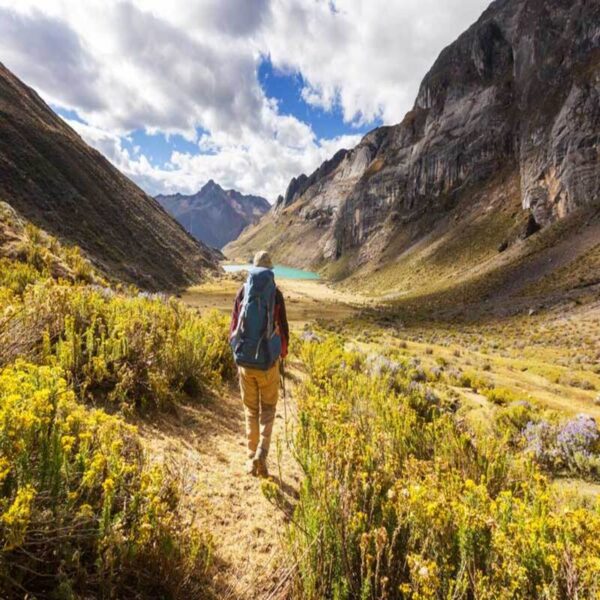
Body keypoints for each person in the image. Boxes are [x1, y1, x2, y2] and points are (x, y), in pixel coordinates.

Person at [229, 250, 289, 477]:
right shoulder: (276, 294)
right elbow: (283, 329)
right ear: (270, 270)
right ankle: (262, 455)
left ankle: (250, 456)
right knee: (268, 410)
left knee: (250, 410)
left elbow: (233, 328)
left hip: (245, 364)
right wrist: (281, 354)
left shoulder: (243, 291)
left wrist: (239, 356)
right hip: (268, 365)